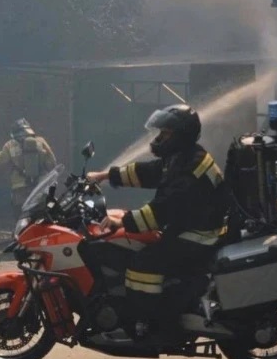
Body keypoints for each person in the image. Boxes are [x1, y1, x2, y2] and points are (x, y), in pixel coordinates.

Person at [87, 104, 227, 342]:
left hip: (199, 235)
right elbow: (148, 172)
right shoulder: (182, 157)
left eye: (165, 133)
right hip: (191, 227)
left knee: (142, 264)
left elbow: (160, 212)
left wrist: (121, 223)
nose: (159, 138)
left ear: (180, 135)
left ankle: (157, 326)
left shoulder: (189, 169)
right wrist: (105, 176)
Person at [0, 118, 57, 216]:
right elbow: (52, 163)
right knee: (42, 213)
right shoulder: (41, 141)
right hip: (40, 186)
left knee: (21, 215)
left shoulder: (10, 144)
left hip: (20, 188)